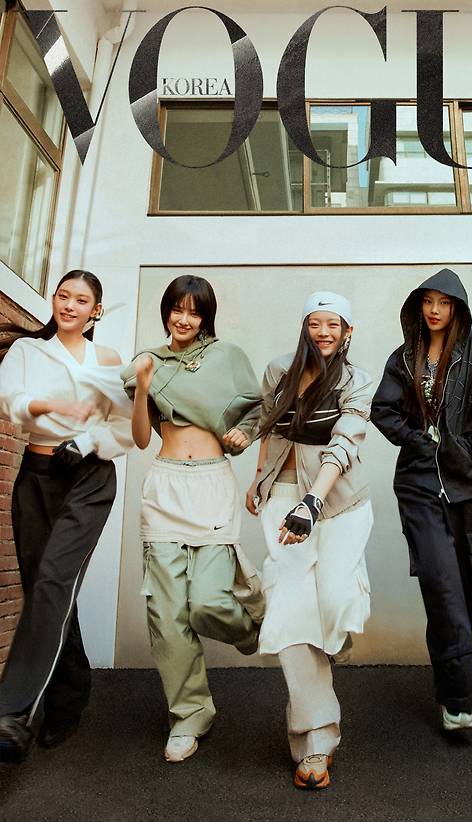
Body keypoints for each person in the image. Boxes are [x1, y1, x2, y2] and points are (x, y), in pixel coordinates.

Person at [370, 269, 472, 733]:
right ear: (418, 306)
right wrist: (416, 440)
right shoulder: (405, 355)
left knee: (467, 587)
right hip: (417, 486)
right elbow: (382, 410)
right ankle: (459, 701)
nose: (435, 310)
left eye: (444, 302)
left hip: (469, 487)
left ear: (457, 307)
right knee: (441, 584)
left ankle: (450, 677)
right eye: (428, 301)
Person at [122, 275, 263, 763]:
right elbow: (142, 439)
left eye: (194, 311)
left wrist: (244, 434)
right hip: (165, 486)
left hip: (210, 485)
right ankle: (190, 714)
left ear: (206, 317)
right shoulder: (148, 361)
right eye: (176, 309)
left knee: (206, 602)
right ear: (166, 311)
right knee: (167, 613)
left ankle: (253, 626)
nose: (184, 319)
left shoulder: (227, 357)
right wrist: (142, 386)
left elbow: (255, 410)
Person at [0, 270, 133, 762]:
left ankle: (11, 713)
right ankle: (71, 691)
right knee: (46, 587)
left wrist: (88, 439)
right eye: (63, 296)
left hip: (88, 478)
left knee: (55, 580)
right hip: (36, 476)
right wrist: (51, 404)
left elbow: (124, 430)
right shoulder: (28, 351)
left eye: (81, 300)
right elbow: (8, 401)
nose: (69, 305)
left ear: (96, 311)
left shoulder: (108, 360)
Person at [246, 291, 373, 790]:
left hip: (338, 500)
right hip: (281, 495)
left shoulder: (357, 381)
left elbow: (345, 443)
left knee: (334, 602)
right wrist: (258, 479)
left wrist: (313, 502)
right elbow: (270, 427)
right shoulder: (280, 370)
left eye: (333, 324)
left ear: (347, 331)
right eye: (315, 323)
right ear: (305, 327)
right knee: (291, 610)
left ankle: (337, 621)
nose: (323, 332)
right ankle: (316, 739)